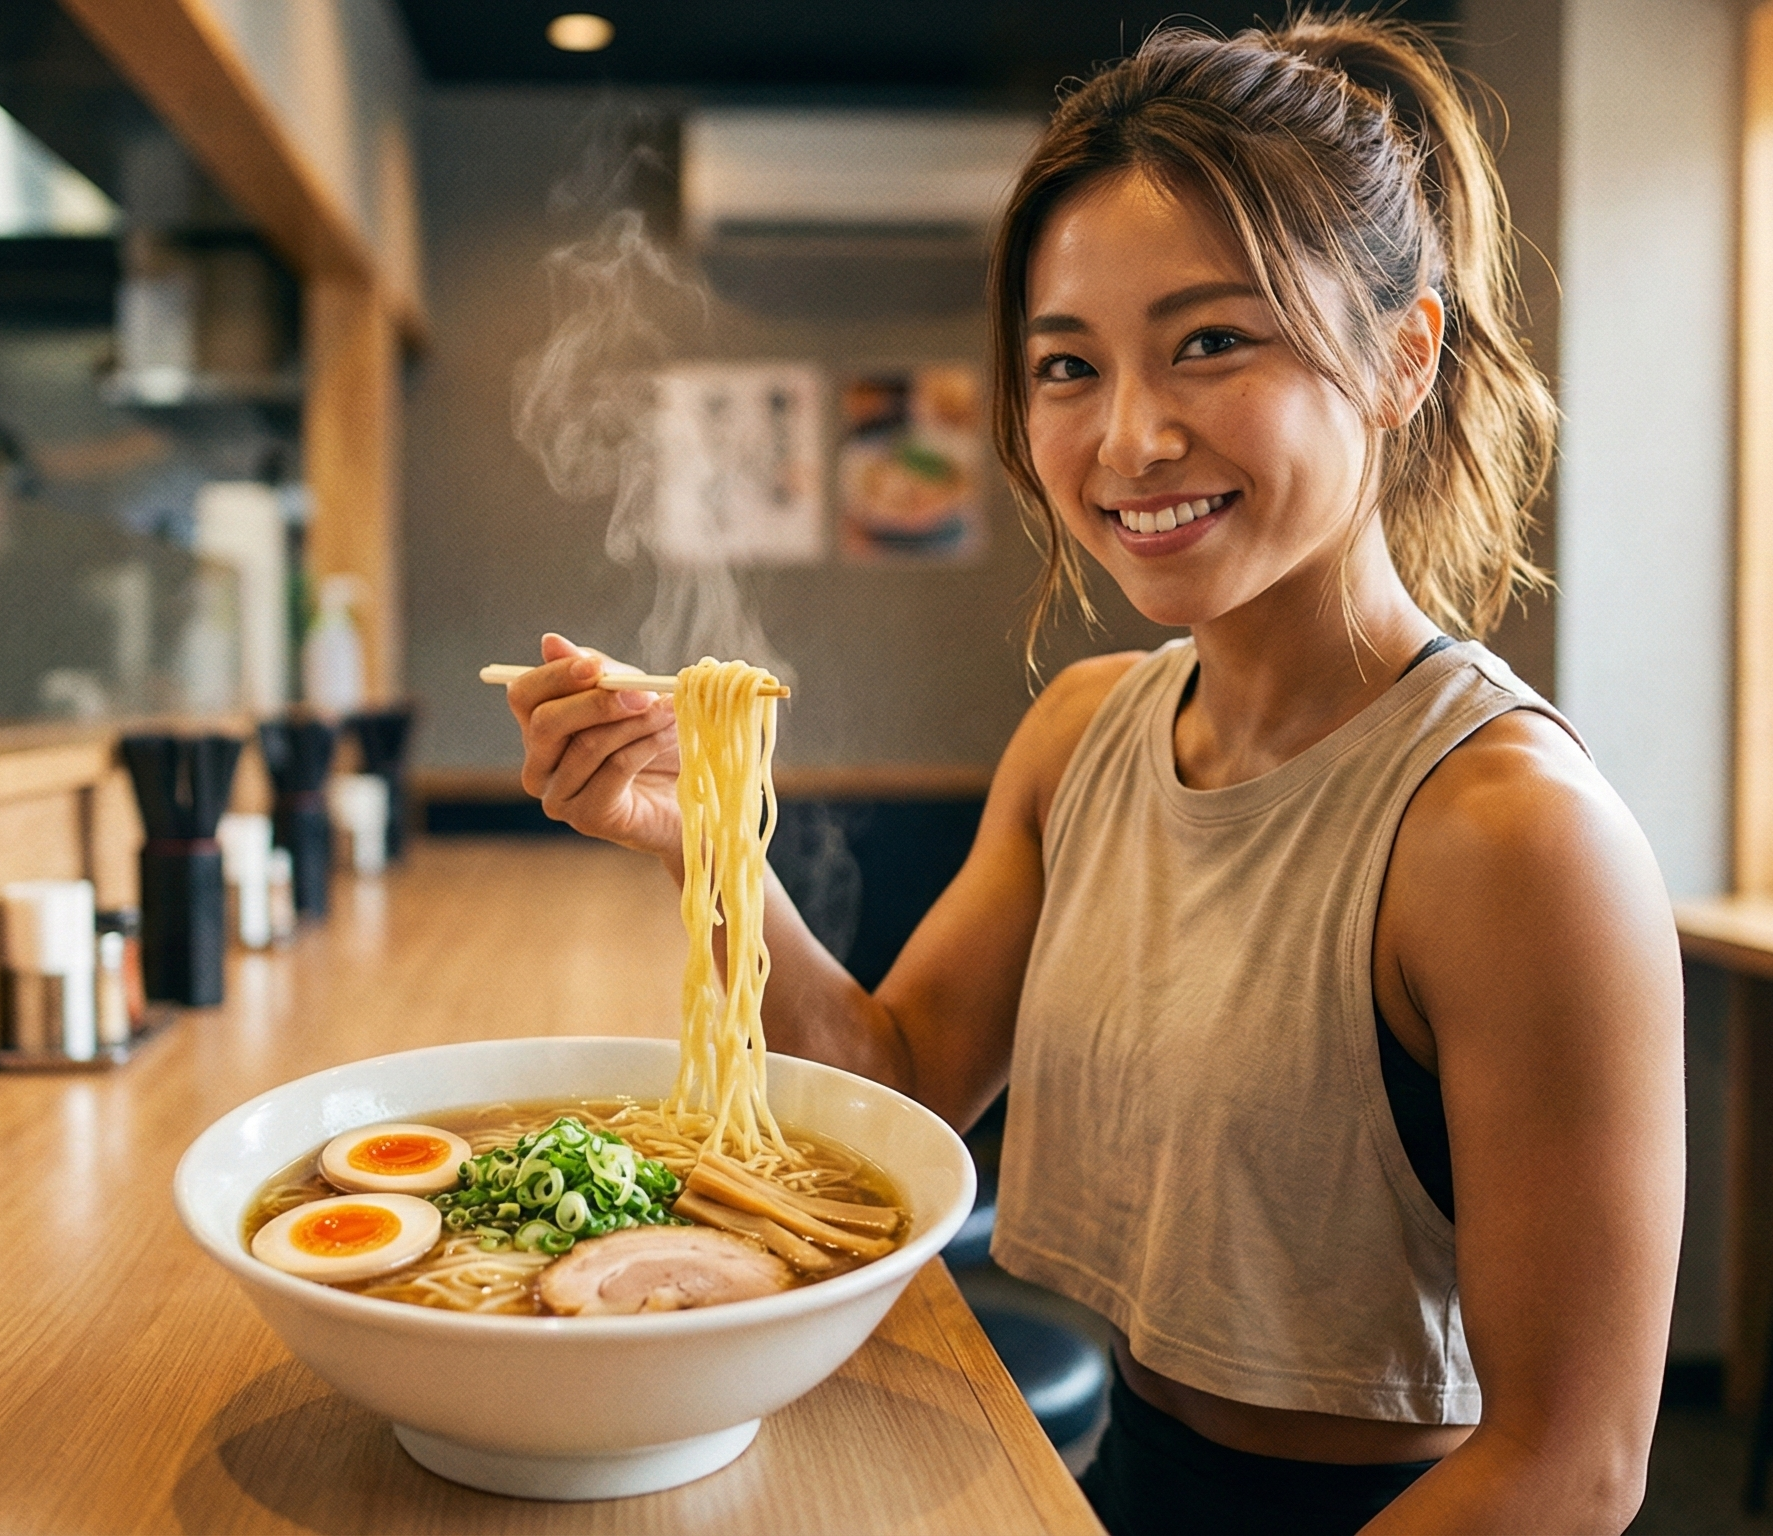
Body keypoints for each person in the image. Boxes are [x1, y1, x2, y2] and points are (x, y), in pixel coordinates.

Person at [506, 15, 1684, 1534]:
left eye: (1211, 340)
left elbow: (1573, 1466)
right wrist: (704, 838)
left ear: (1404, 355)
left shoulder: (1511, 833)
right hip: (1122, 1476)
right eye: (1068, 365)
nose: (1128, 437)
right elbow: (900, 1084)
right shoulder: (1085, 733)